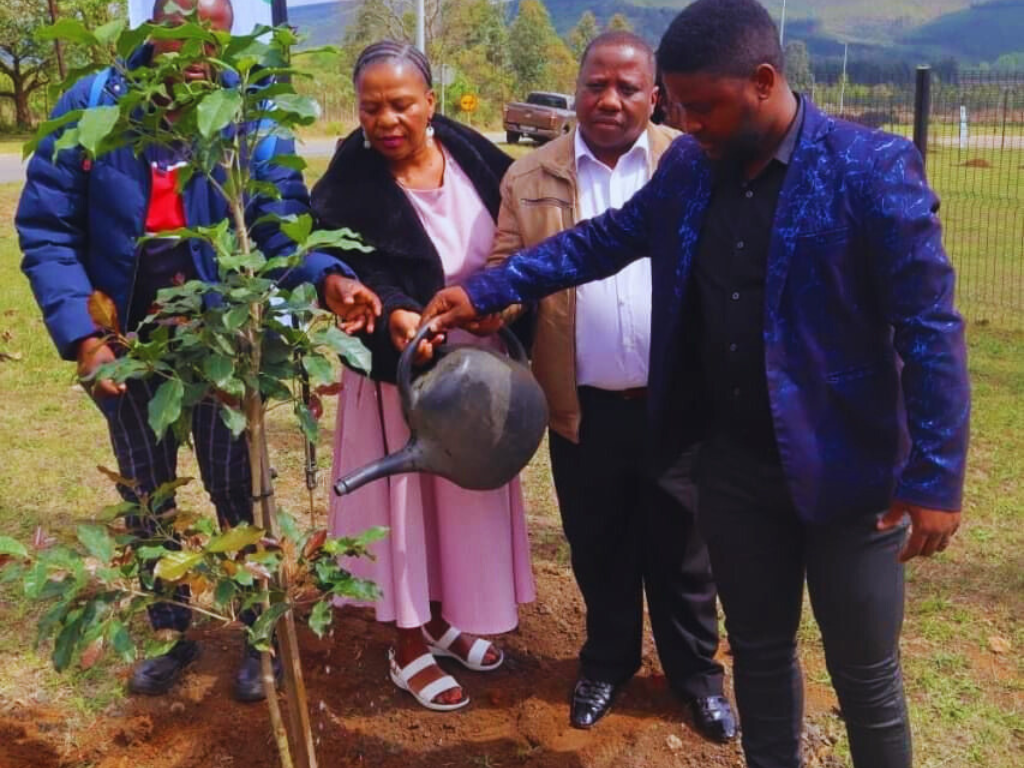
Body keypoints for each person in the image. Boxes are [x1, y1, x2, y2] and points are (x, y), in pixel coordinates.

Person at [421, 0, 970, 764]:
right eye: (679, 107)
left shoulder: (867, 170)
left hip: (853, 477)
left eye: (703, 107)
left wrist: (937, 477)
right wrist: (485, 290)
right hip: (736, 471)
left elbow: (930, 328)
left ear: (765, 81)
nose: (689, 123)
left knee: (865, 673)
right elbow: (604, 239)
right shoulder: (691, 167)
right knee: (760, 654)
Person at [16, 0, 380, 702]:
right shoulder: (95, 106)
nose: (193, 46)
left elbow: (276, 224)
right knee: (147, 495)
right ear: (152, 26)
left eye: (209, 31)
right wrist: (86, 339)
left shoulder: (249, 115)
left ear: (226, 35)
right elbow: (47, 228)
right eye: (178, 25)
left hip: (224, 346)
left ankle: (256, 634)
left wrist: (327, 277)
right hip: (127, 352)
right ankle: (171, 634)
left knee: (238, 488)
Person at [486, 31, 733, 739]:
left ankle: (695, 676)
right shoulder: (529, 176)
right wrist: (495, 299)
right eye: (597, 83)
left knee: (686, 554)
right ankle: (608, 661)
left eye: (629, 87)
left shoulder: (692, 164)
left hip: (677, 404)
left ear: (656, 96)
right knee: (600, 545)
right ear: (577, 86)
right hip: (581, 407)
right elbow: (508, 261)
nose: (610, 99)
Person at [309, 41, 535, 712]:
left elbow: (521, 240)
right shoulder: (349, 178)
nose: (386, 119)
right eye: (370, 106)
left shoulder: (476, 156)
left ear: (431, 101)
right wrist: (392, 319)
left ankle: (443, 620)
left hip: (480, 378)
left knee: (461, 506)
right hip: (399, 380)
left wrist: (511, 298)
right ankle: (407, 643)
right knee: (404, 512)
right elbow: (332, 256)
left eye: (401, 103)